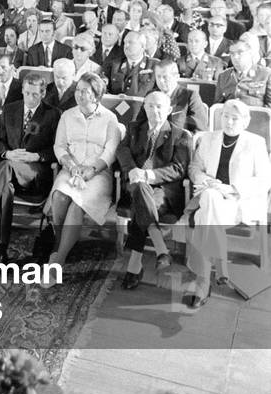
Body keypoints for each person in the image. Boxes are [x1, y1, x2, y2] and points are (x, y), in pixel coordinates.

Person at [179, 99, 271, 307]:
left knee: (206, 215)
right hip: (209, 195)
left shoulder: (255, 143)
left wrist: (231, 188)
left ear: (245, 122)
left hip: (237, 201)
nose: (229, 122)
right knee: (211, 197)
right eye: (225, 116)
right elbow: (194, 168)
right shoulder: (208, 138)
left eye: (234, 118)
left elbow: (264, 180)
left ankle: (204, 280)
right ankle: (218, 269)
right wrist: (206, 180)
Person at [39, 72, 121, 278]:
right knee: (60, 196)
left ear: (96, 95)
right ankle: (62, 241)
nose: (79, 95)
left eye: (85, 91)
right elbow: (59, 146)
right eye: (77, 90)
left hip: (98, 174)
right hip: (71, 168)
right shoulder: (67, 116)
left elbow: (111, 152)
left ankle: (58, 258)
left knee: (77, 204)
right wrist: (70, 164)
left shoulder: (110, 119)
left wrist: (92, 169)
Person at [0, 73, 59, 259]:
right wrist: (8, 153)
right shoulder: (9, 109)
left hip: (36, 172)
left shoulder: (53, 114)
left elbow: (57, 148)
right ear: (22, 90)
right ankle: (2, 248)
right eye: (27, 93)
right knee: (6, 187)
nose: (30, 98)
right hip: (9, 171)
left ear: (43, 93)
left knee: (6, 168)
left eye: (35, 94)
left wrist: (36, 156)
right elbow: (0, 142)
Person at [116, 91, 190, 289]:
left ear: (169, 110)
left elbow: (178, 169)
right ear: (144, 107)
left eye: (159, 107)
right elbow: (122, 150)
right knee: (139, 188)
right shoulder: (134, 128)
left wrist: (148, 175)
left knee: (140, 203)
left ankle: (135, 265)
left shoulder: (180, 135)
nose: (154, 110)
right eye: (150, 106)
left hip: (163, 190)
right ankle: (160, 247)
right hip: (135, 183)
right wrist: (133, 170)